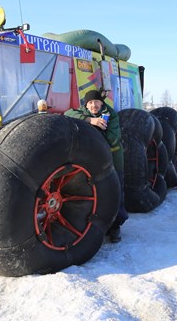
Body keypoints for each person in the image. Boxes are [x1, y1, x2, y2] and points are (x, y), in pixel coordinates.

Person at [64, 90, 128, 242]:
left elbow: (113, 138)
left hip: (111, 159)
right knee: (93, 193)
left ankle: (115, 226)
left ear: (101, 103)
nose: (94, 105)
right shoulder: (82, 112)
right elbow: (67, 114)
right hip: (90, 161)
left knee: (115, 191)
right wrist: (89, 120)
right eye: (90, 103)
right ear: (86, 104)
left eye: (96, 102)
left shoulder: (111, 115)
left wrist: (97, 133)